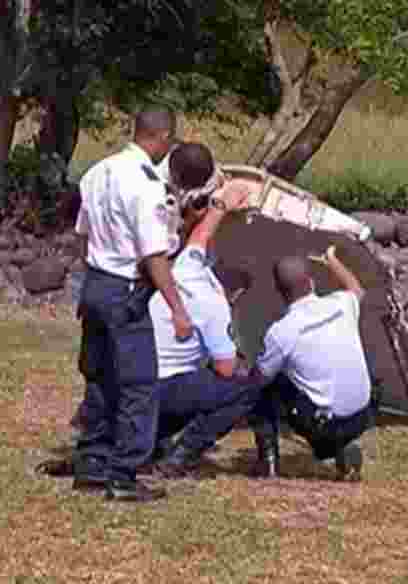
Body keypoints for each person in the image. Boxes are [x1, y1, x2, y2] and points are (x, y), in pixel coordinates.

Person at [70, 107, 193, 502]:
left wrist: (91, 276)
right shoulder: (147, 185)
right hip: (125, 289)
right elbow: (154, 254)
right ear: (163, 138)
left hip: (96, 282)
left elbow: (82, 235)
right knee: (138, 383)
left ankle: (92, 460)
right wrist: (177, 307)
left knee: (99, 374)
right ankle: (123, 473)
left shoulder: (97, 172)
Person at [144, 142, 263, 479]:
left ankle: (150, 441)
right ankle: (184, 453)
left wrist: (221, 205)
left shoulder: (181, 265)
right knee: (246, 386)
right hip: (165, 391)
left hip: (136, 383)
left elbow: (200, 237)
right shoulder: (210, 299)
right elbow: (226, 368)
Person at [247, 246, 374, 481]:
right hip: (363, 415)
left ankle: (269, 463)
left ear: (280, 292)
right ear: (311, 283)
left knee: (261, 384)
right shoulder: (342, 304)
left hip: (325, 427)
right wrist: (332, 261)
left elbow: (259, 379)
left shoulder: (282, 331)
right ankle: (342, 447)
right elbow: (357, 289)